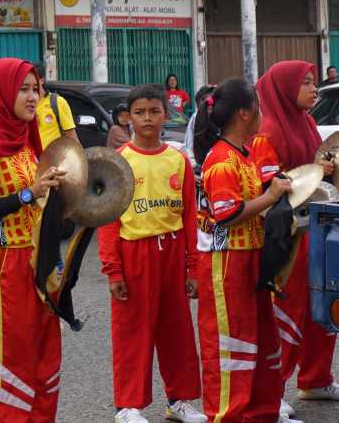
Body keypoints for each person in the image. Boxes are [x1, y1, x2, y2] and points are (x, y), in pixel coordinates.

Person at [256, 61, 339, 418]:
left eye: (315, 82)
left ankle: (316, 379)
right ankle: (275, 390)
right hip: (288, 235)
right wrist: (314, 167)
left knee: (321, 308)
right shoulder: (267, 130)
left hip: (316, 227)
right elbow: (270, 185)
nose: (314, 89)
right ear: (284, 88)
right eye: (306, 83)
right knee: (289, 311)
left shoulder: (307, 122)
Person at [193, 78, 299, 423]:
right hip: (227, 264)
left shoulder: (245, 153)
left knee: (261, 342)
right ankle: (228, 415)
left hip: (250, 259)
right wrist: (269, 198)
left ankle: (261, 412)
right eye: (257, 105)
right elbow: (225, 215)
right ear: (244, 113)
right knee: (231, 347)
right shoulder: (222, 160)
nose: (261, 112)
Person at [0, 58, 67, 422]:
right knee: (7, 362)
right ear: (0, 94)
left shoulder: (28, 143)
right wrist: (30, 192)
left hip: (35, 261)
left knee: (43, 357)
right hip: (1, 265)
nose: (32, 96)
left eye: (35, 88)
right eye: (22, 89)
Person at [97, 84, 205, 423]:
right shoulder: (119, 162)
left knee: (178, 331)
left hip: (172, 251)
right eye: (140, 112)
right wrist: (113, 270)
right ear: (128, 117)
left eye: (154, 111)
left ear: (165, 114)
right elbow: (107, 219)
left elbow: (190, 216)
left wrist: (193, 267)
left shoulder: (177, 159)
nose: (147, 118)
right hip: (134, 254)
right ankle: (127, 405)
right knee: (132, 332)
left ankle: (180, 401)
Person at [33, 61, 80, 149]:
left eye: (33, 79)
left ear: (42, 80)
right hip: (30, 160)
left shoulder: (58, 102)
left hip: (53, 160)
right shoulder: (24, 104)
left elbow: (72, 137)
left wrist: (80, 159)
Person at [184, 85, 217, 166]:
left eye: (212, 99)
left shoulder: (218, 115)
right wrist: (193, 163)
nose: (209, 102)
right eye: (204, 99)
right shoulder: (196, 117)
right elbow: (189, 143)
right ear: (198, 103)